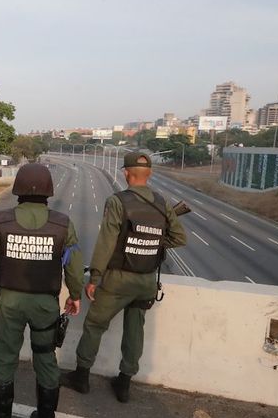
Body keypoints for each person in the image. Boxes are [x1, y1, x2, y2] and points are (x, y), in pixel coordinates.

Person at [0, 163, 84, 418]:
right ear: (48, 191)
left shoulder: (2, 221)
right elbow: (73, 265)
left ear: (18, 189)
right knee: (46, 362)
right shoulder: (62, 224)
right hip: (45, 305)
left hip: (9, 302)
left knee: (4, 361)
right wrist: (74, 295)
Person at [61, 152, 187, 402]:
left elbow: (106, 242)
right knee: (134, 331)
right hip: (146, 281)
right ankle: (124, 384)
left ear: (126, 173)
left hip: (118, 280)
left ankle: (82, 377)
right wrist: (150, 242)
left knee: (95, 325)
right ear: (149, 174)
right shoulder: (161, 203)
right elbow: (179, 238)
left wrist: (95, 277)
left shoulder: (118, 201)